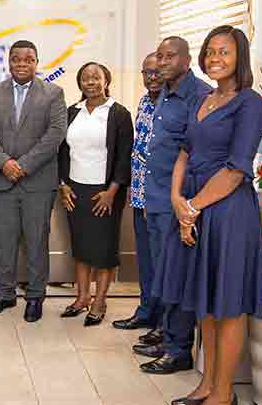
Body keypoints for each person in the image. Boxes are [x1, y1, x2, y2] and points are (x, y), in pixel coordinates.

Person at [166, 26, 262, 405]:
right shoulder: (203, 99)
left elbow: (236, 169)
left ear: (240, 56)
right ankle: (207, 384)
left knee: (227, 304)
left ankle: (224, 394)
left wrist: (191, 208)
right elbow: (185, 153)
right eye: (209, 52)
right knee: (205, 303)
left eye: (223, 52)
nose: (215, 59)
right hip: (195, 209)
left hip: (228, 213)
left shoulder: (250, 104)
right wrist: (178, 199)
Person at [0, 40, 67, 323]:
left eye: (28, 59)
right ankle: (4, 293)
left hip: (38, 181)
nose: (21, 64)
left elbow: (55, 133)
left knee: (36, 240)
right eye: (16, 59)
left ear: (36, 62)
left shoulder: (53, 93)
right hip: (3, 179)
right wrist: (4, 162)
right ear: (8, 62)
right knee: (4, 240)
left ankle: (35, 295)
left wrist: (24, 165)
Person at [138, 36, 212, 375]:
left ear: (187, 60)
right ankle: (166, 335)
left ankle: (178, 348)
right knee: (161, 273)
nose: (162, 62)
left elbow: (196, 152)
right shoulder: (166, 91)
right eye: (160, 56)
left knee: (177, 274)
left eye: (170, 56)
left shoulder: (200, 95)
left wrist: (183, 200)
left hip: (179, 199)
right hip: (155, 197)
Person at [58, 62, 133, 326]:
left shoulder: (118, 113)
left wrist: (112, 191)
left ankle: (99, 301)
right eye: (85, 78)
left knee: (103, 249)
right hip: (75, 190)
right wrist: (63, 184)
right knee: (81, 246)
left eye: (96, 78)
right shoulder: (71, 112)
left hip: (105, 191)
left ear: (106, 80)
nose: (90, 82)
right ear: (79, 83)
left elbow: (124, 157)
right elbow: (62, 152)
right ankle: (82, 298)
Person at [112, 53, 165, 346]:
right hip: (141, 194)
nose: (152, 77)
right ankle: (146, 311)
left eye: (157, 71)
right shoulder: (145, 102)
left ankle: (163, 322)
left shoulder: (176, 105)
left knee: (162, 263)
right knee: (146, 260)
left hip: (162, 198)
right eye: (147, 72)